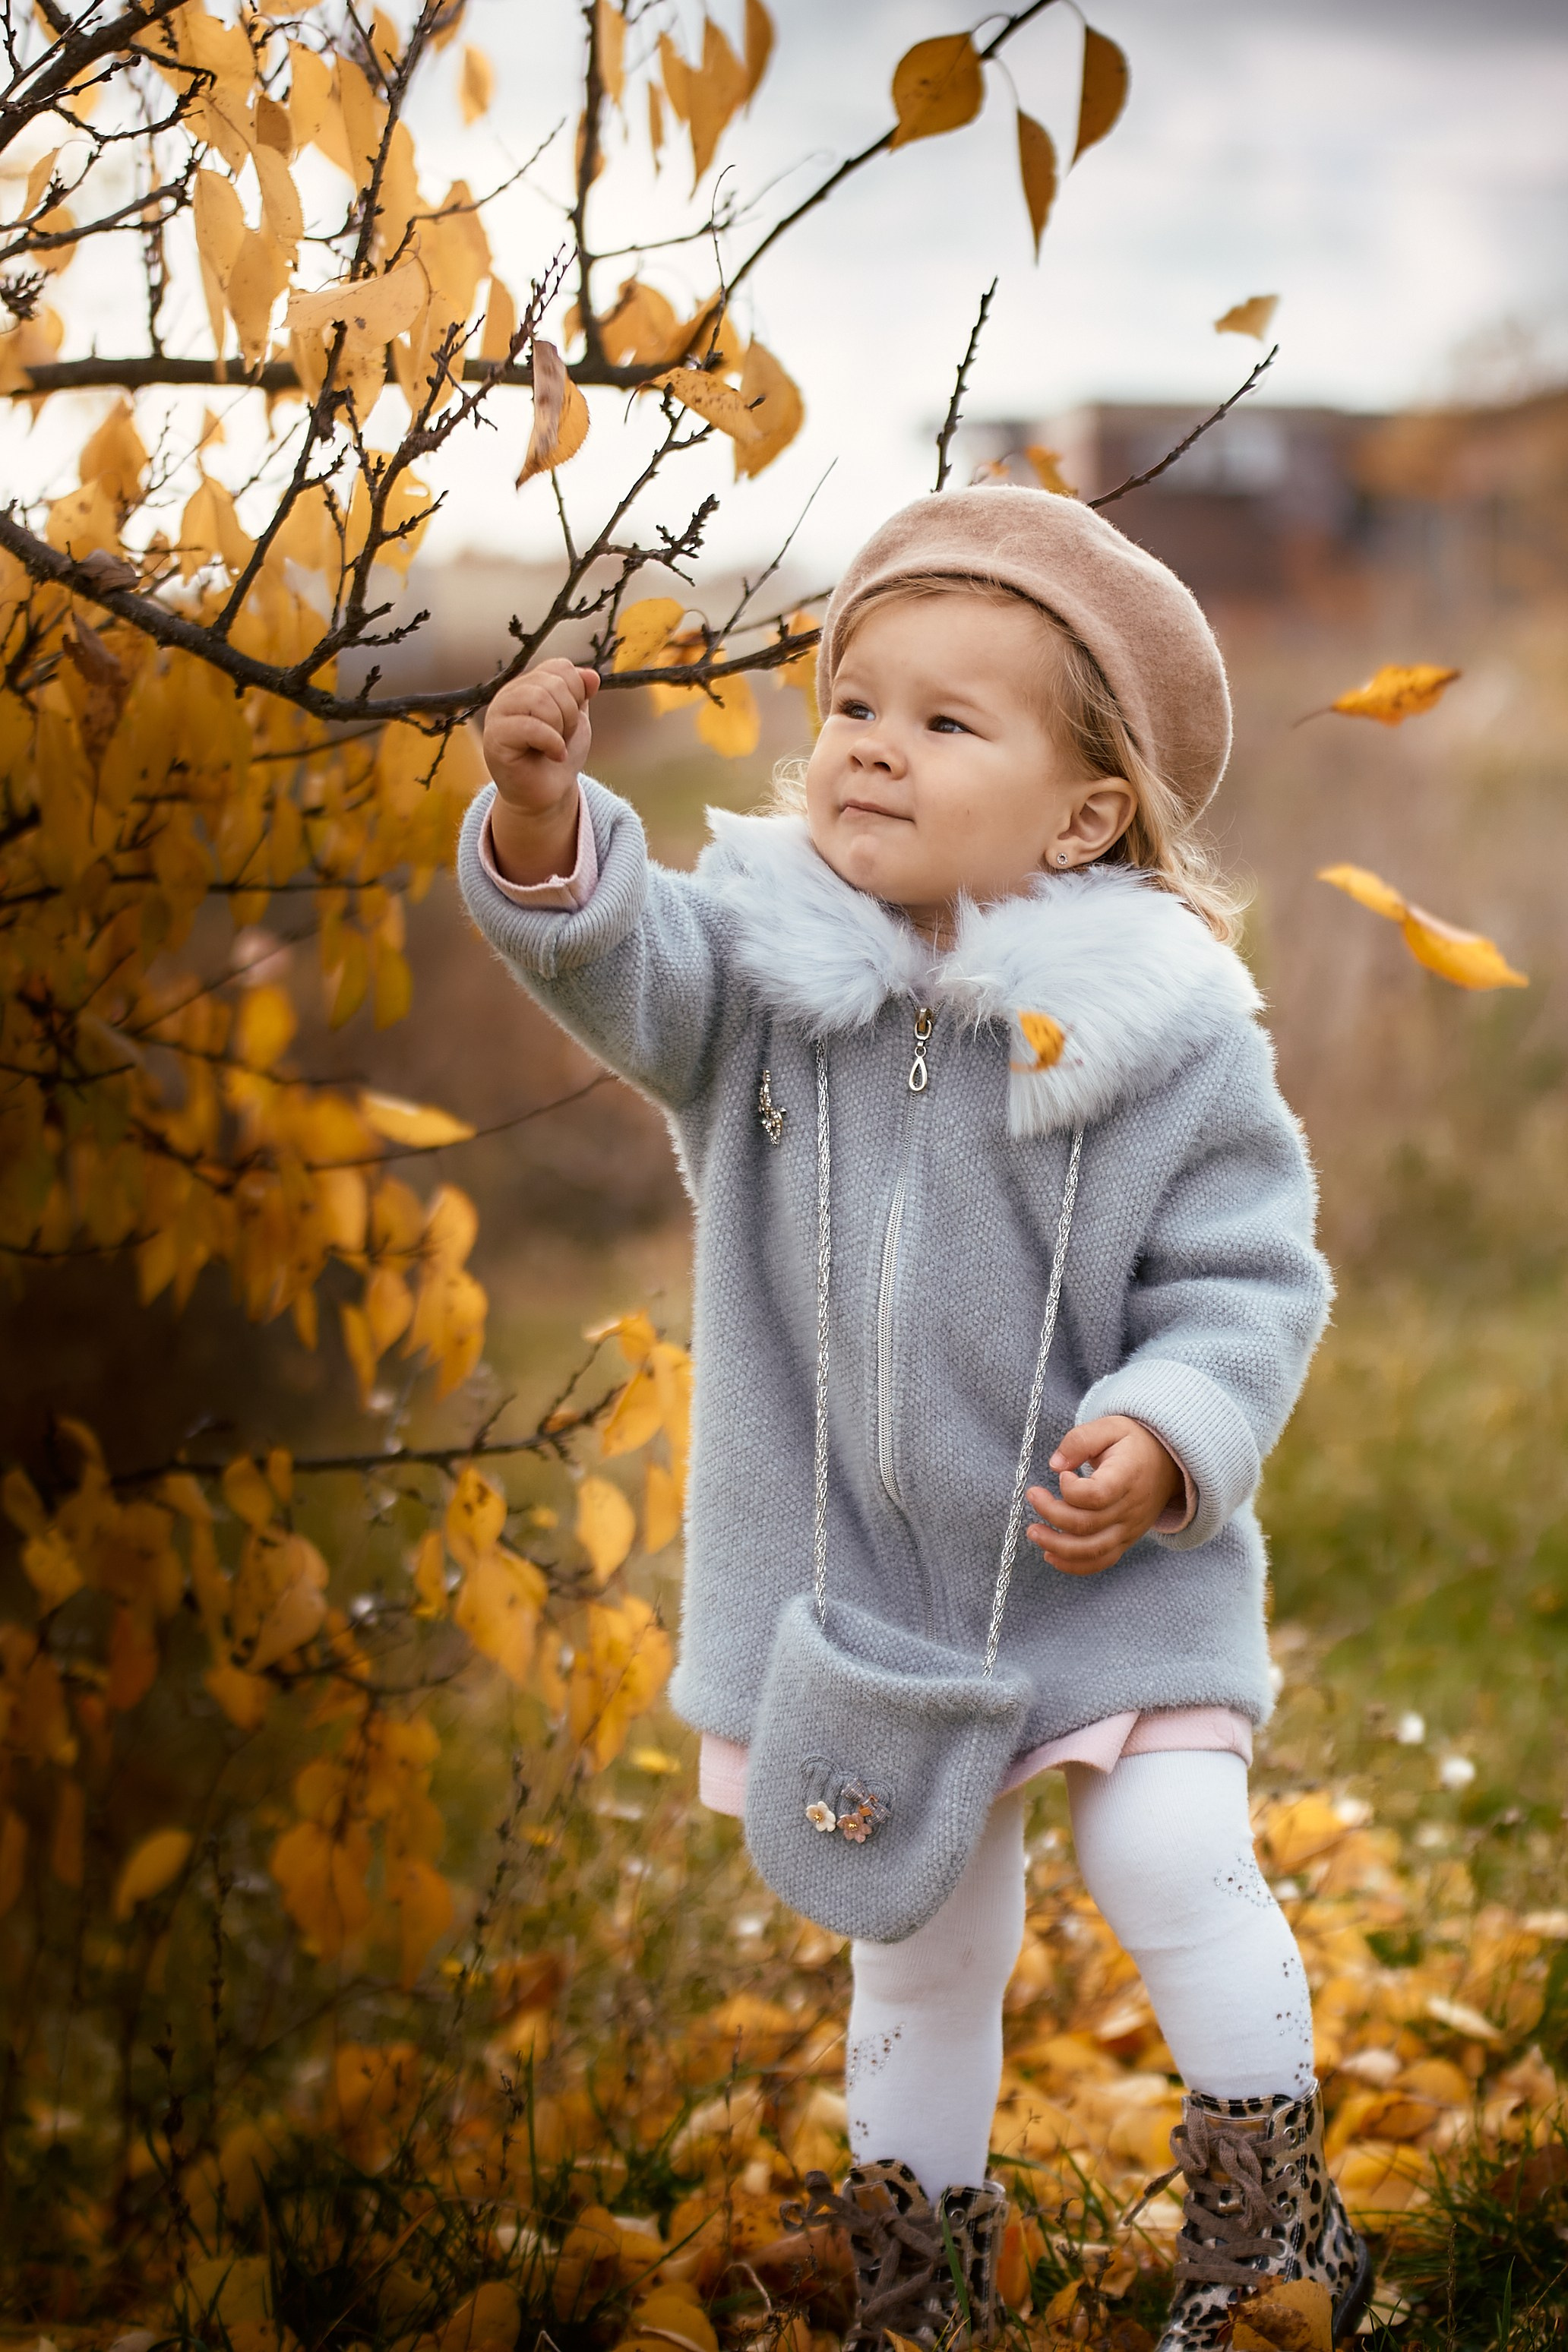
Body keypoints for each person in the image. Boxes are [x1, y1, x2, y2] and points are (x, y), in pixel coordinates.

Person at [458, 486, 1371, 2352]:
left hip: (1106, 1575)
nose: (874, 746)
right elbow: (618, 968)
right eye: (856, 703)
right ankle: (920, 2272)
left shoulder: (1163, 1033)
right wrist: (546, 831)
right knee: (921, 1944)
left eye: (948, 723)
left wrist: (1174, 1428)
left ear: (1085, 812)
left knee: (1173, 1858)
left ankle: (1274, 2236)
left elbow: (1249, 1277)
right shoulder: (764, 983)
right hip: (870, 1591)